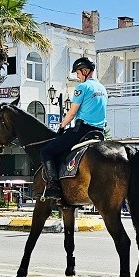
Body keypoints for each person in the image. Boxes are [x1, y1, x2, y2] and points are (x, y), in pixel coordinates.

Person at [41, 56, 107, 200]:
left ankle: (53, 187)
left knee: (47, 151)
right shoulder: (102, 88)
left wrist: (62, 125)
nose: (77, 77)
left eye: (77, 73)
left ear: (84, 71)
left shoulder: (82, 87)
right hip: (99, 132)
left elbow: (72, 113)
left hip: (82, 131)